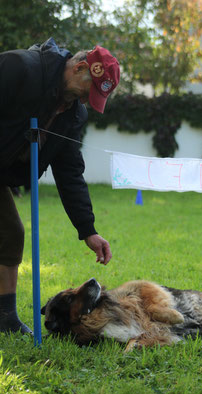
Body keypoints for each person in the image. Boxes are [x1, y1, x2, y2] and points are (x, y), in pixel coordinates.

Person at [0, 37, 120, 334]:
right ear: (80, 67)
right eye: (88, 91)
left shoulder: (73, 114)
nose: (86, 100)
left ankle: (5, 317)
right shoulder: (19, 69)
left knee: (11, 233)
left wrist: (88, 229)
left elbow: (69, 172)